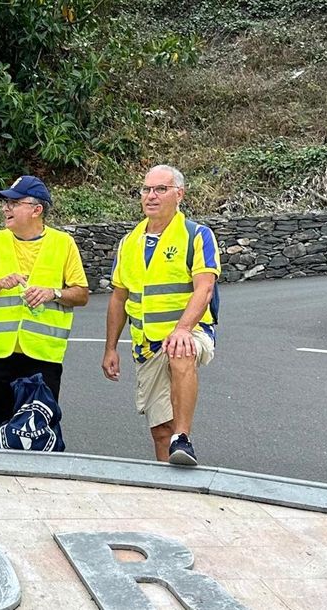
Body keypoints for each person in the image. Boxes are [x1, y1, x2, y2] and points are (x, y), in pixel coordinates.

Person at [102, 164, 220, 466]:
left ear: (179, 194)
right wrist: (111, 348)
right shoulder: (129, 242)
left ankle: (184, 436)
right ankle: (169, 480)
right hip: (146, 344)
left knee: (181, 351)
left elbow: (204, 289)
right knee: (159, 432)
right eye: (146, 189)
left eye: (160, 189)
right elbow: (119, 297)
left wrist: (182, 329)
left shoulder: (197, 235)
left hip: (190, 330)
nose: (151, 196)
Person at [0, 176, 89, 430]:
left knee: (38, 431)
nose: (5, 208)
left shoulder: (63, 243)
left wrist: (53, 293)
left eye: (14, 202)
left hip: (43, 356)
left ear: (37, 209)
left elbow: (82, 294)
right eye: (5, 202)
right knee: (0, 429)